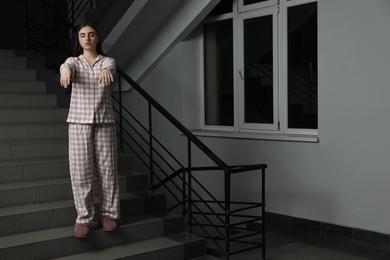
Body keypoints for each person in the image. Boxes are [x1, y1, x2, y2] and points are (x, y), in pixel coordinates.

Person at [59, 23, 120, 238]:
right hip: (78, 122)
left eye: (91, 34)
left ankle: (109, 215)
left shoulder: (108, 61)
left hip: (104, 122)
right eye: (82, 35)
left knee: (108, 170)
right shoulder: (73, 62)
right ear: (78, 39)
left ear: (97, 38)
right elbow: (66, 67)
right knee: (80, 171)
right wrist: (65, 71)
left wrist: (104, 70)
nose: (86, 38)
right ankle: (83, 218)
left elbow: (110, 69)